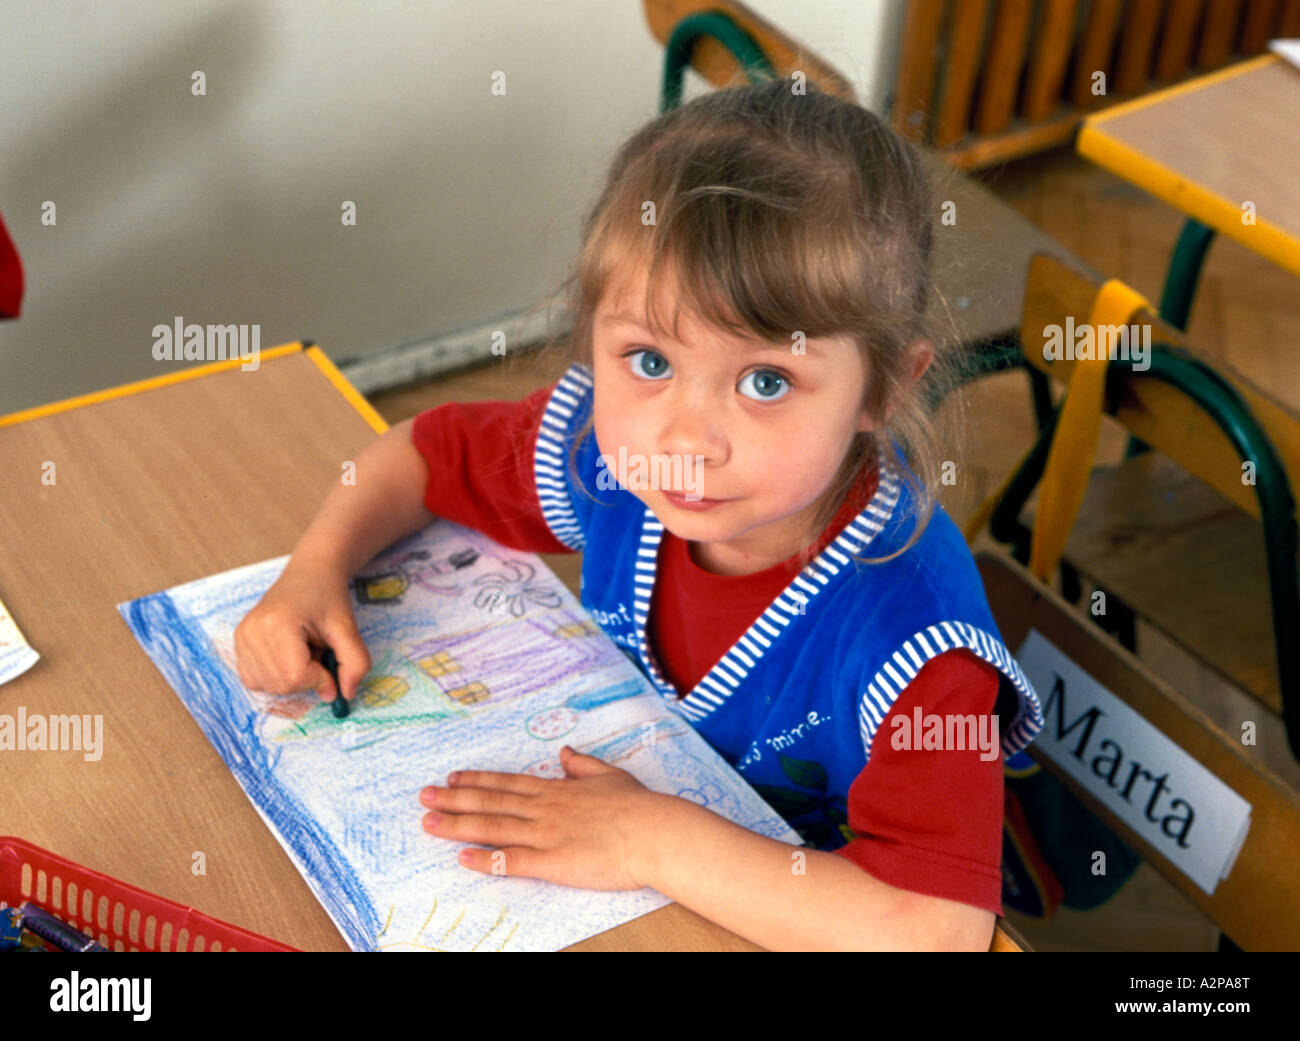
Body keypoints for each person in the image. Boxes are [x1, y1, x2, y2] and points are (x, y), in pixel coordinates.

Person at [234, 79, 1043, 951]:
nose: (686, 436)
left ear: (881, 389)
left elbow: (939, 931)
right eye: (648, 359)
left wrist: (649, 838)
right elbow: (422, 456)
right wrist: (315, 567)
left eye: (766, 380)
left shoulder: (915, 637)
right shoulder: (609, 456)